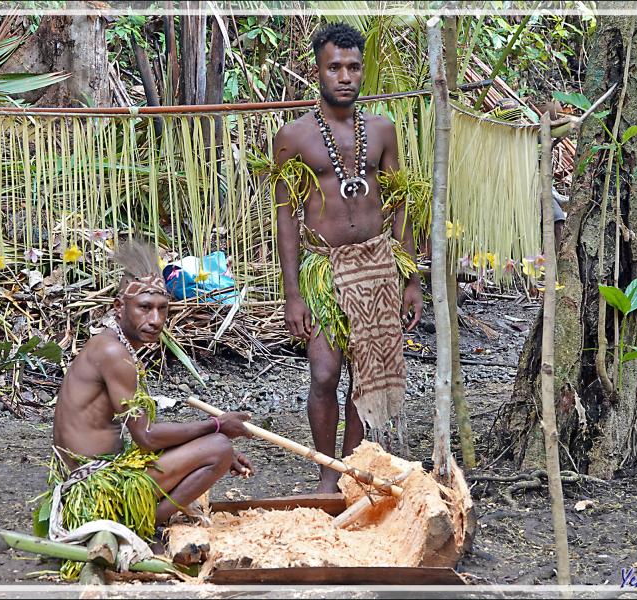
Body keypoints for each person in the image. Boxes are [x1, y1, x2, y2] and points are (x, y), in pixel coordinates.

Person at [272, 23, 422, 493]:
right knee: (324, 371)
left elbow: (400, 203)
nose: (344, 76)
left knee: (367, 375)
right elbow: (285, 218)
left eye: (353, 67)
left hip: (378, 265)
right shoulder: (292, 137)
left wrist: (411, 279)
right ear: (317, 70)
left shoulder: (382, 131)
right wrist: (292, 294)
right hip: (322, 269)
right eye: (334, 66)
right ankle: (325, 473)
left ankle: (354, 471)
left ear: (362, 72)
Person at [48, 240, 254, 558]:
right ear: (119, 308)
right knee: (219, 448)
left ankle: (141, 516)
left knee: (215, 448)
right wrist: (216, 426)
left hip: (98, 476)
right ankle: (140, 525)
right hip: (96, 491)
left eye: (162, 308)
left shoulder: (112, 344)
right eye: (144, 307)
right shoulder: (115, 353)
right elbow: (145, 437)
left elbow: (141, 432)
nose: (156, 319)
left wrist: (200, 444)